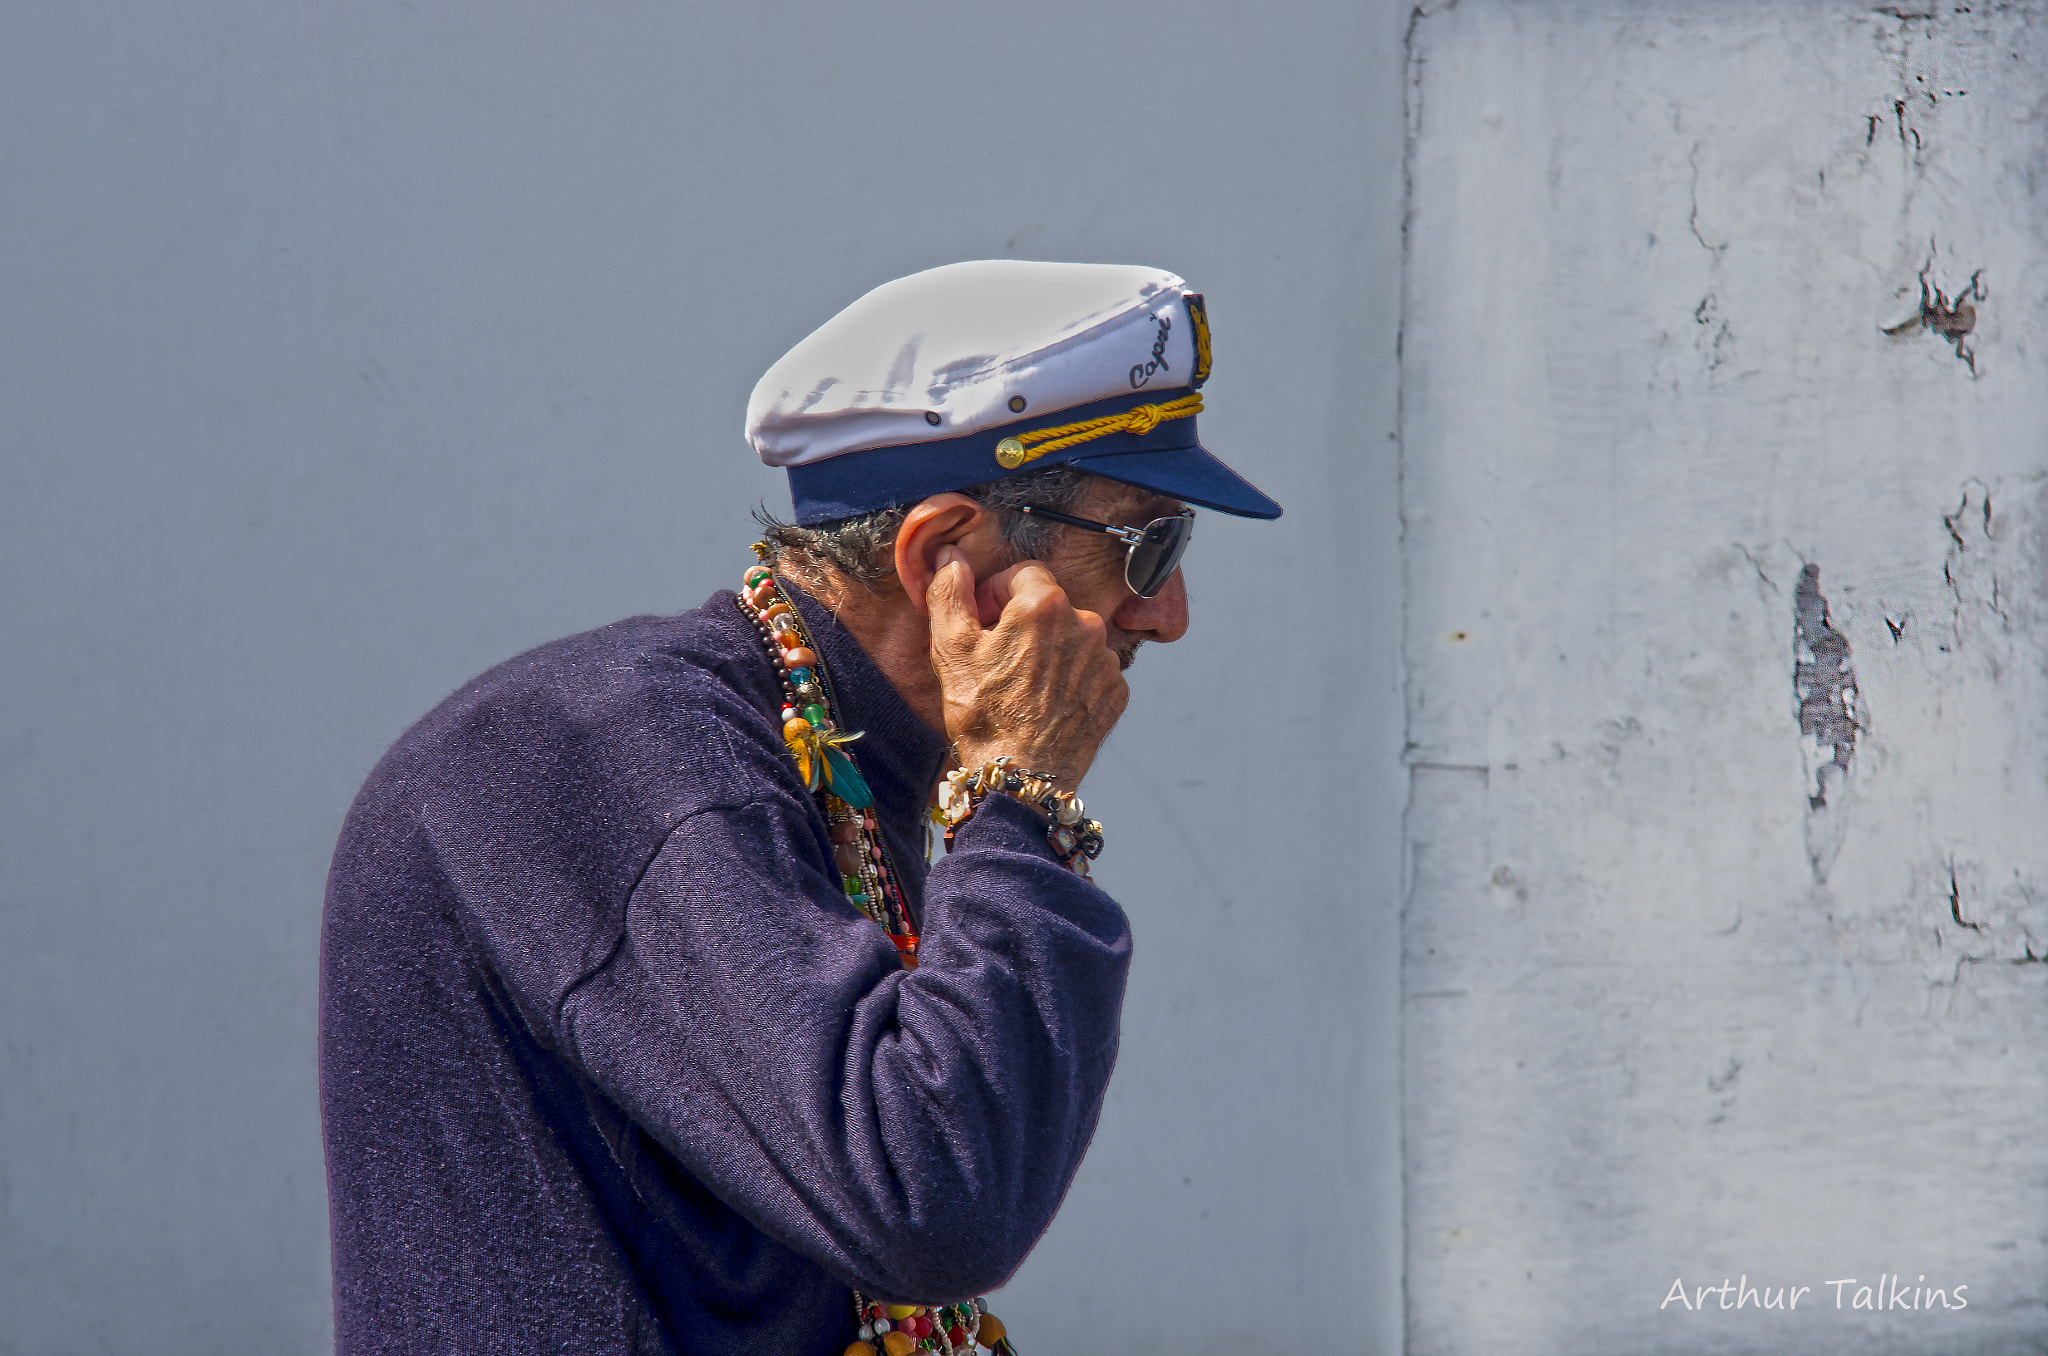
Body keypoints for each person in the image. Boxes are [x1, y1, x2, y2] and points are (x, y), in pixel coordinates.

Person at [319, 260, 1283, 1355]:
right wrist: (1016, 792)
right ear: (944, 555)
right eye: (1144, 545)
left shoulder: (826, 759)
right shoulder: (604, 750)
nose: (1166, 615)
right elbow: (933, 1200)